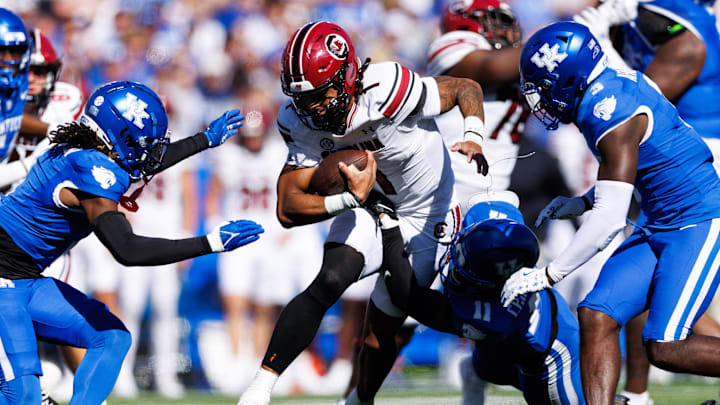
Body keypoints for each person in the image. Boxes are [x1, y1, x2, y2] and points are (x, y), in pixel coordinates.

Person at [238, 20, 488, 405]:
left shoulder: (385, 87)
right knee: (330, 279)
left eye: (321, 95)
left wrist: (473, 135)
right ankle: (259, 387)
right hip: (370, 206)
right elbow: (287, 209)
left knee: (393, 311)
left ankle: (360, 399)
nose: (313, 109)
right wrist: (349, 200)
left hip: (427, 212)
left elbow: (464, 88)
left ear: (348, 75)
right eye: (303, 99)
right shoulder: (297, 121)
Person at [0, 80, 263, 405]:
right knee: (21, 395)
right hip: (4, 278)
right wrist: (211, 243)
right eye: (145, 142)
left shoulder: (87, 150)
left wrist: (204, 139)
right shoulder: (92, 168)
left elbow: (140, 165)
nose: (151, 150)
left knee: (110, 337)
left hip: (22, 277)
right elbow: (128, 250)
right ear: (118, 137)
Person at [501, 21, 720, 405]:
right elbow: (635, 167)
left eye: (544, 87)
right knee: (596, 314)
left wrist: (548, 274)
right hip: (660, 221)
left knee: (665, 346)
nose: (540, 101)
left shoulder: (610, 111)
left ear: (570, 76)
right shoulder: (604, 91)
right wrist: (583, 200)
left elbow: (609, 222)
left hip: (699, 220)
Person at [573, 2, 720, 402]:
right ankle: (636, 394)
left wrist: (600, 43)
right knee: (622, 299)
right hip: (659, 175)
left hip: (695, 173)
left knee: (668, 329)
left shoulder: (692, 37)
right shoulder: (641, 29)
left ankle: (638, 392)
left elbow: (639, 101)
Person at [379, 190, 585, 404]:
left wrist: (389, 228)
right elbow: (504, 199)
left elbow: (406, 296)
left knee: (520, 381)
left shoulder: (488, 315)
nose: (457, 265)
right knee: (487, 365)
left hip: (550, 353)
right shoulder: (496, 229)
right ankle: (476, 370)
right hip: (505, 337)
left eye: (467, 266)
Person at [427, 0, 525, 200]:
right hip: (441, 189)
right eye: (499, 21)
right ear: (465, 23)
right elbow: (492, 66)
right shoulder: (451, 45)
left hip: (492, 192)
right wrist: (560, 40)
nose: (507, 32)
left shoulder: (519, 64)